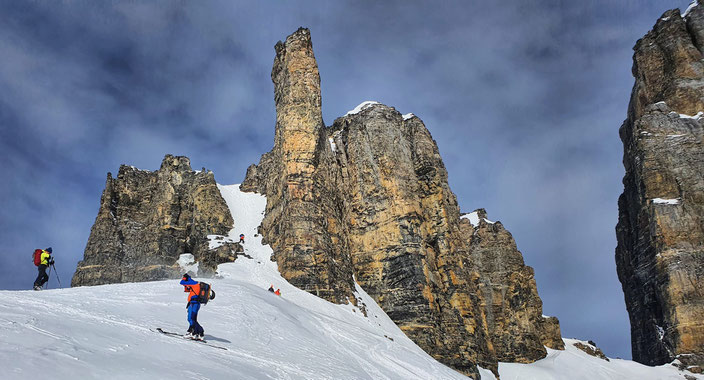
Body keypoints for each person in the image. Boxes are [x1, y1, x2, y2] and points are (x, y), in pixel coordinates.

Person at [180, 274, 204, 340]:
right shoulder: (194, 284)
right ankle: (199, 333)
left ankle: (192, 333)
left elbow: (181, 282)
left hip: (194, 304)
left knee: (190, 318)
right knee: (193, 319)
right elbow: (187, 290)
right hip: (195, 304)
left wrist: (184, 279)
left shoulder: (194, 283)